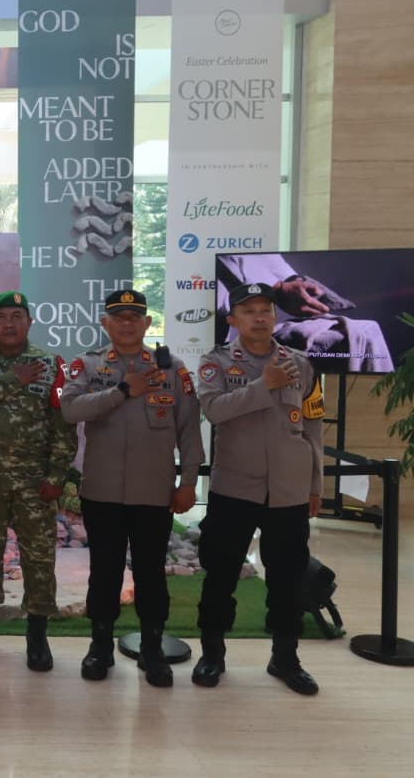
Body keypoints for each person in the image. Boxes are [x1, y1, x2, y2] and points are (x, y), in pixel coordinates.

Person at [60, 289, 204, 687]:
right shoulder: (88, 365)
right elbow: (70, 409)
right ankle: (99, 646)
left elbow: (189, 431)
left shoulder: (172, 370)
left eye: (134, 316)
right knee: (104, 573)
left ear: (147, 323)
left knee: (151, 574)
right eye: (118, 316)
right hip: (102, 492)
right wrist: (122, 391)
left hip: (153, 493)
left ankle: (152, 648)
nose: (127, 323)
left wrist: (188, 482)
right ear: (104, 323)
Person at [192, 281, 326, 695]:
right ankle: (212, 654)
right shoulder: (215, 363)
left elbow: (313, 426)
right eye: (249, 311)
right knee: (221, 575)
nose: (259, 317)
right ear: (233, 320)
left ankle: (285, 657)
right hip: (235, 488)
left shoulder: (301, 364)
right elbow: (214, 410)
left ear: (275, 315)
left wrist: (315, 484)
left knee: (288, 580)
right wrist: (263, 385)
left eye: (265, 309)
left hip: (288, 490)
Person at [0, 291, 77, 671]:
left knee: (39, 559)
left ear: (29, 322)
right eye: (2, 317)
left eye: (17, 316)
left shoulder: (51, 365)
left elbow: (64, 424)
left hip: (34, 483)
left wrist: (57, 476)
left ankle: (37, 635)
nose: (9, 323)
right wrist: (12, 379)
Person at [216, 252, 393, 373]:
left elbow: (256, 254)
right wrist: (276, 287)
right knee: (354, 336)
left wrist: (284, 284)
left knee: (366, 331)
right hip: (226, 344)